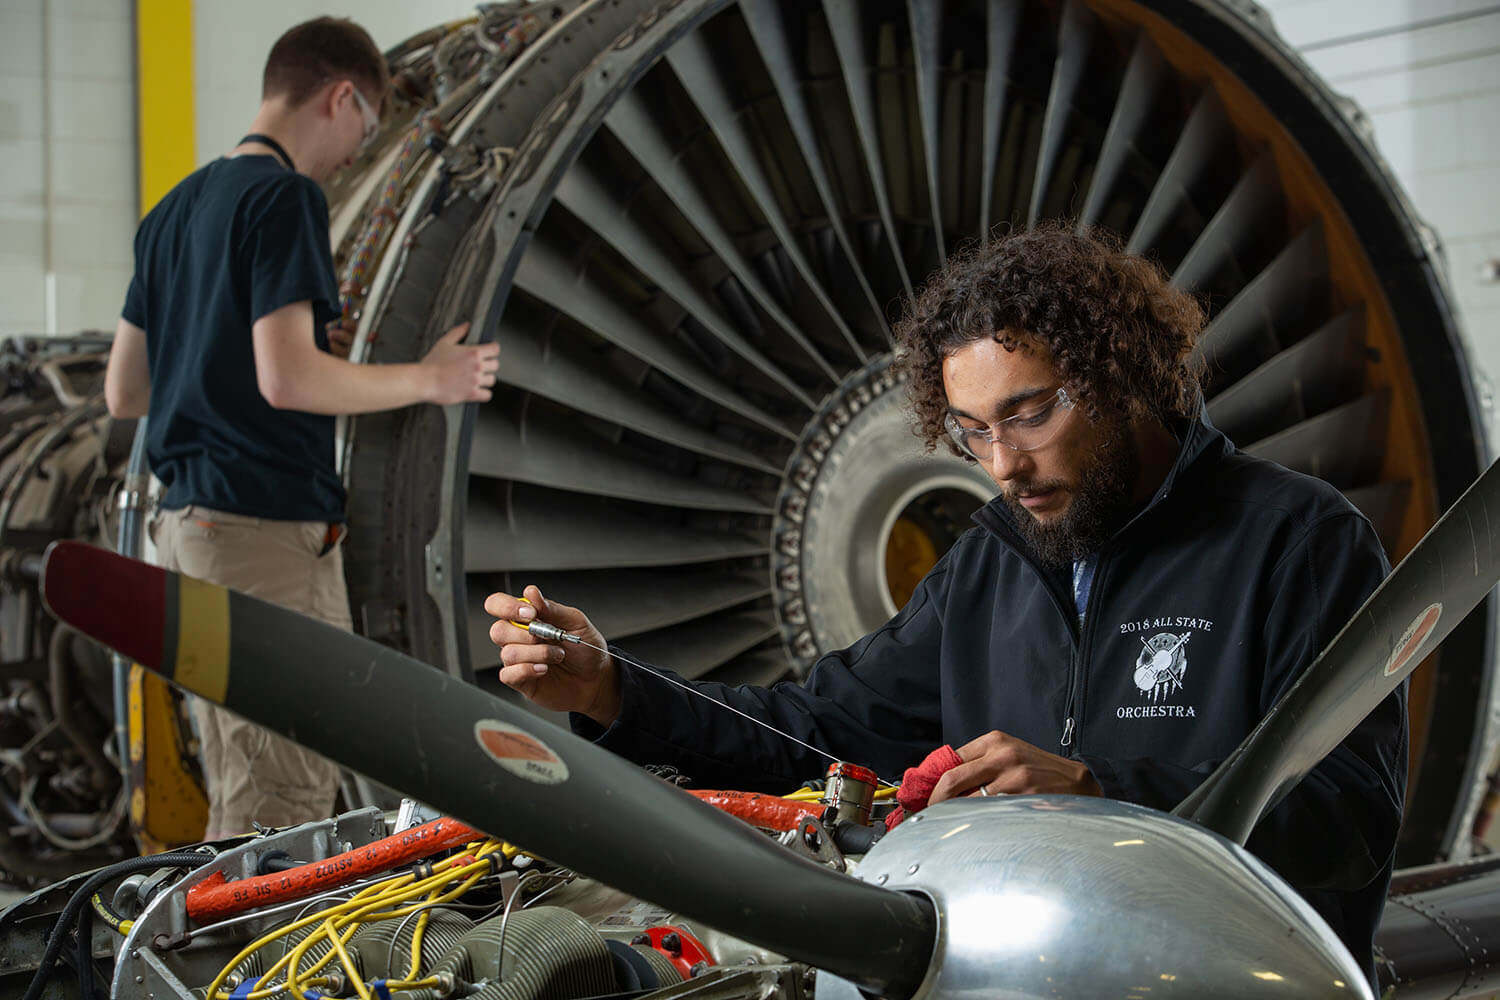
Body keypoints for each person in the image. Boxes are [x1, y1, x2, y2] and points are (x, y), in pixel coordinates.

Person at [485, 225, 1405, 981]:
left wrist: (1103, 795)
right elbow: (810, 727)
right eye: (972, 433)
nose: (1003, 466)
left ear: (1120, 373)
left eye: (1031, 414)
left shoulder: (1297, 541)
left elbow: (1349, 817)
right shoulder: (990, 568)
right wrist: (612, 690)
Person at [104, 17, 500, 840]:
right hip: (260, 531)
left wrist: (206, 378)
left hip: (191, 531)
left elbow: (124, 392)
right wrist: (431, 378)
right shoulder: (283, 199)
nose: (360, 148)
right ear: (340, 96)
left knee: (247, 781)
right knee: (277, 808)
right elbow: (286, 376)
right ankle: (246, 969)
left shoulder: (172, 211)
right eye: (365, 123)